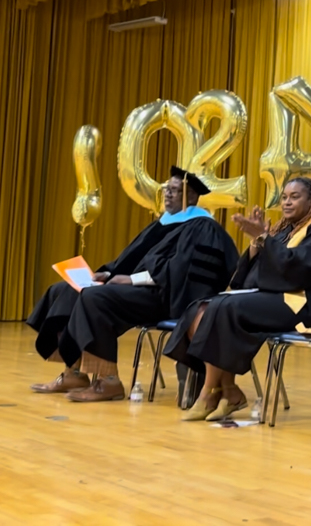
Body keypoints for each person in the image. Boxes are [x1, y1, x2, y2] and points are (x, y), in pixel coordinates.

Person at [27, 167, 239, 402]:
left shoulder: (203, 227)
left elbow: (181, 274)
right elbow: (131, 259)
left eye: (175, 191)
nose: (168, 194)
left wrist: (131, 280)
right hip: (138, 290)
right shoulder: (162, 223)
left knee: (95, 298)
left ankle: (108, 381)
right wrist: (107, 274)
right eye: (166, 189)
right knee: (65, 290)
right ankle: (73, 372)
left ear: (191, 197)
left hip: (166, 297)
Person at [165, 177, 311, 421]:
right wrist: (256, 245)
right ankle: (228, 390)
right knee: (203, 308)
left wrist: (265, 240)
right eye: (284, 197)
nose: (287, 202)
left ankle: (210, 393)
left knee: (224, 307)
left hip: (299, 305)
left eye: (295, 197)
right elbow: (247, 278)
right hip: (270, 299)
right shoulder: (282, 233)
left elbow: (297, 272)